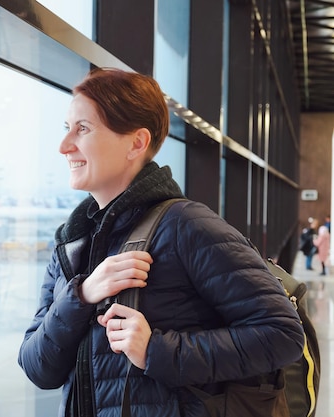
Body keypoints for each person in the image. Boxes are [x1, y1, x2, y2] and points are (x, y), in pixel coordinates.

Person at [17, 68, 304, 417]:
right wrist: (82, 295)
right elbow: (37, 368)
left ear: (136, 143)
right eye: (67, 129)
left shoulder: (187, 228)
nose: (64, 146)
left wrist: (156, 350)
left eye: (83, 129)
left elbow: (282, 334)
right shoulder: (71, 244)